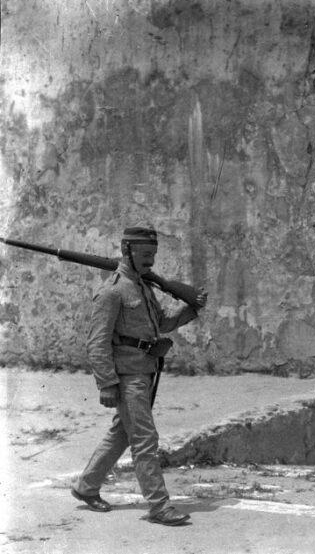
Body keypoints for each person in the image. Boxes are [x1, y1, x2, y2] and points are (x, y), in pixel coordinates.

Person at [70, 223, 207, 526]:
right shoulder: (112, 291)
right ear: (126, 250)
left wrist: (192, 308)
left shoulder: (143, 287)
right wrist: (107, 384)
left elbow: (163, 323)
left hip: (145, 372)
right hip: (126, 377)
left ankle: (86, 486)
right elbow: (96, 343)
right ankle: (159, 506)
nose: (150, 261)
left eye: (152, 255)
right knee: (144, 439)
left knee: (122, 433)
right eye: (144, 255)